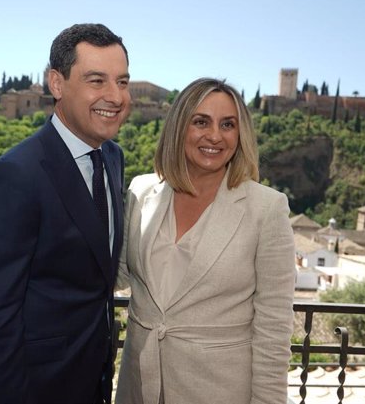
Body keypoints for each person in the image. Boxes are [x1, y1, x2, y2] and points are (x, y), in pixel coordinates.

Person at [0, 23, 130, 404]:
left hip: (88, 385)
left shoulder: (113, 159)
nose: (115, 96)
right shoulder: (14, 175)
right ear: (56, 83)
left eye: (122, 81)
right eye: (97, 80)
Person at [115, 78, 295, 404]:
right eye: (201, 122)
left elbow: (273, 329)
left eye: (228, 124)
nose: (214, 135)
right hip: (138, 386)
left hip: (218, 391)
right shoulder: (141, 192)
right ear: (179, 127)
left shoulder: (266, 208)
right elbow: (116, 274)